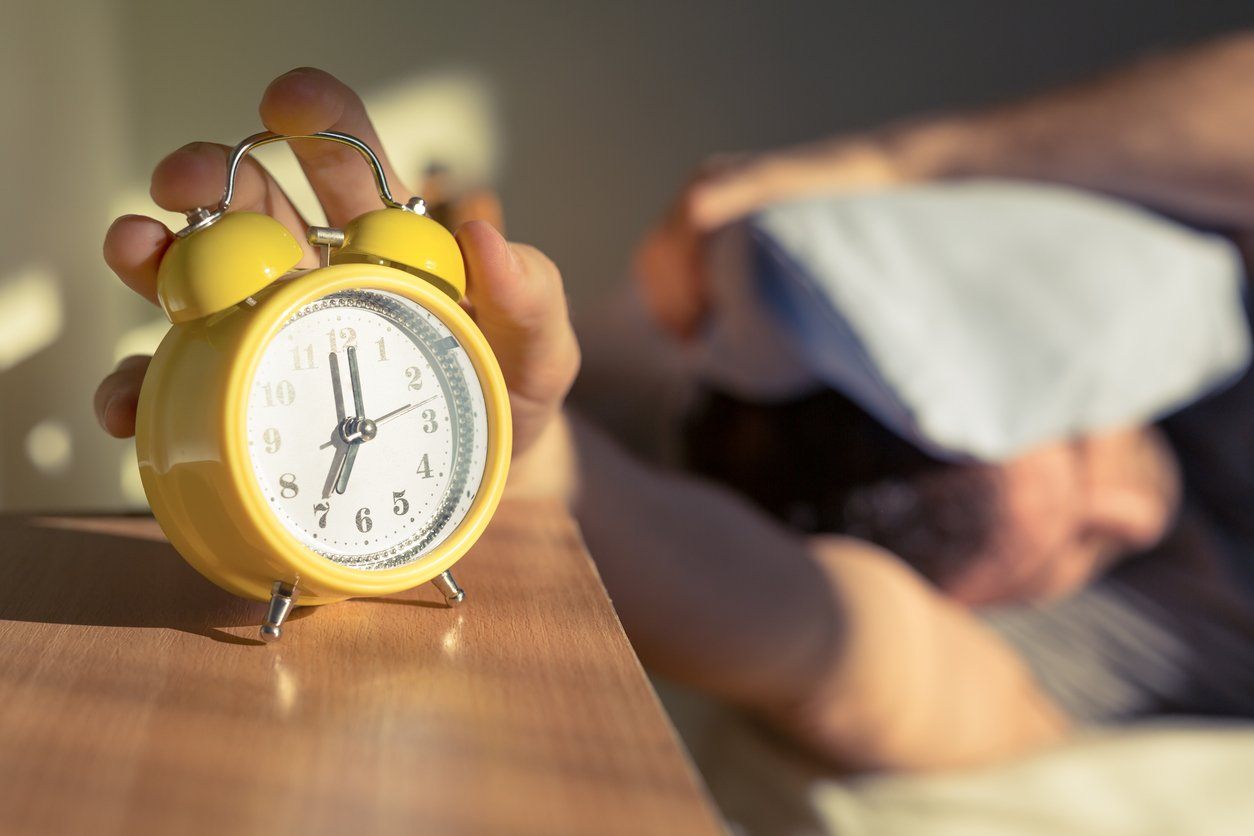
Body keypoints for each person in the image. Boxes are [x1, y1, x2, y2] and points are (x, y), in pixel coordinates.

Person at [96, 32, 1254, 774]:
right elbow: (836, 645)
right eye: (1076, 546)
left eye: (1089, 453)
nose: (1137, 517)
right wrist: (517, 460)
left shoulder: (1186, 266)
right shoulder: (1090, 646)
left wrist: (897, 163)